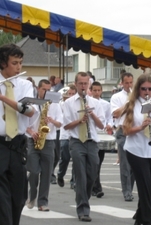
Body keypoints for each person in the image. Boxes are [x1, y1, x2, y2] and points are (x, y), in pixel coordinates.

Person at [122, 74, 151, 225]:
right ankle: (148, 220)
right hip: (136, 150)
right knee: (144, 186)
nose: (147, 92)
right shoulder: (131, 104)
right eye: (143, 89)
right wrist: (140, 127)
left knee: (150, 188)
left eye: (150, 88)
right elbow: (126, 131)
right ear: (138, 89)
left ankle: (140, 218)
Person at [0, 43, 36, 225]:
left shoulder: (25, 85)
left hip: (17, 146)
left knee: (18, 197)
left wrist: (3, 97)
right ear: (3, 63)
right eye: (14, 63)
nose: (19, 67)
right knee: (1, 200)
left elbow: (29, 111)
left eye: (20, 62)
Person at [63, 72, 105, 222]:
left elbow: (102, 125)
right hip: (76, 141)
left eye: (85, 84)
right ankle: (83, 210)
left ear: (89, 85)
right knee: (80, 175)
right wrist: (79, 121)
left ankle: (83, 198)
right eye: (80, 84)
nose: (82, 86)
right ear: (76, 84)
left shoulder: (96, 103)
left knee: (92, 174)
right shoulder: (68, 103)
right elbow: (66, 126)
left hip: (92, 141)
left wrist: (92, 115)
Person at [26, 79, 63, 211]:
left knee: (47, 173)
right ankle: (32, 196)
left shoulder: (55, 105)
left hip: (49, 140)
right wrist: (31, 131)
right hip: (32, 139)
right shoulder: (31, 103)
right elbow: (23, 123)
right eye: (44, 90)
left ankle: (43, 203)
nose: (47, 92)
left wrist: (52, 120)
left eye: (49, 90)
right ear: (38, 89)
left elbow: (60, 124)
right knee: (34, 171)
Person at [110, 72, 135, 201]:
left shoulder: (138, 96)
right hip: (122, 130)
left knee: (135, 162)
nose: (129, 85)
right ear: (122, 83)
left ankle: (130, 189)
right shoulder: (116, 97)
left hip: (135, 130)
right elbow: (116, 113)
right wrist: (128, 102)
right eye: (126, 83)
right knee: (124, 163)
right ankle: (127, 192)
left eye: (131, 82)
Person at [90, 81, 114, 198]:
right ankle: (96, 187)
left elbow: (110, 118)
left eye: (99, 90)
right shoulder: (88, 102)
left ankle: (95, 186)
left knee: (98, 162)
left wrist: (109, 124)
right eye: (94, 90)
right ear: (91, 91)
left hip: (102, 134)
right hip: (91, 135)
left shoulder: (105, 104)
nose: (97, 92)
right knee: (93, 163)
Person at [56, 84, 77, 188]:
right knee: (65, 158)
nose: (71, 96)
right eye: (70, 94)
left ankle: (74, 181)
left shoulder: (78, 104)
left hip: (75, 134)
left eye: (73, 94)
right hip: (64, 135)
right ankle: (60, 174)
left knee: (76, 158)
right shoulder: (62, 104)